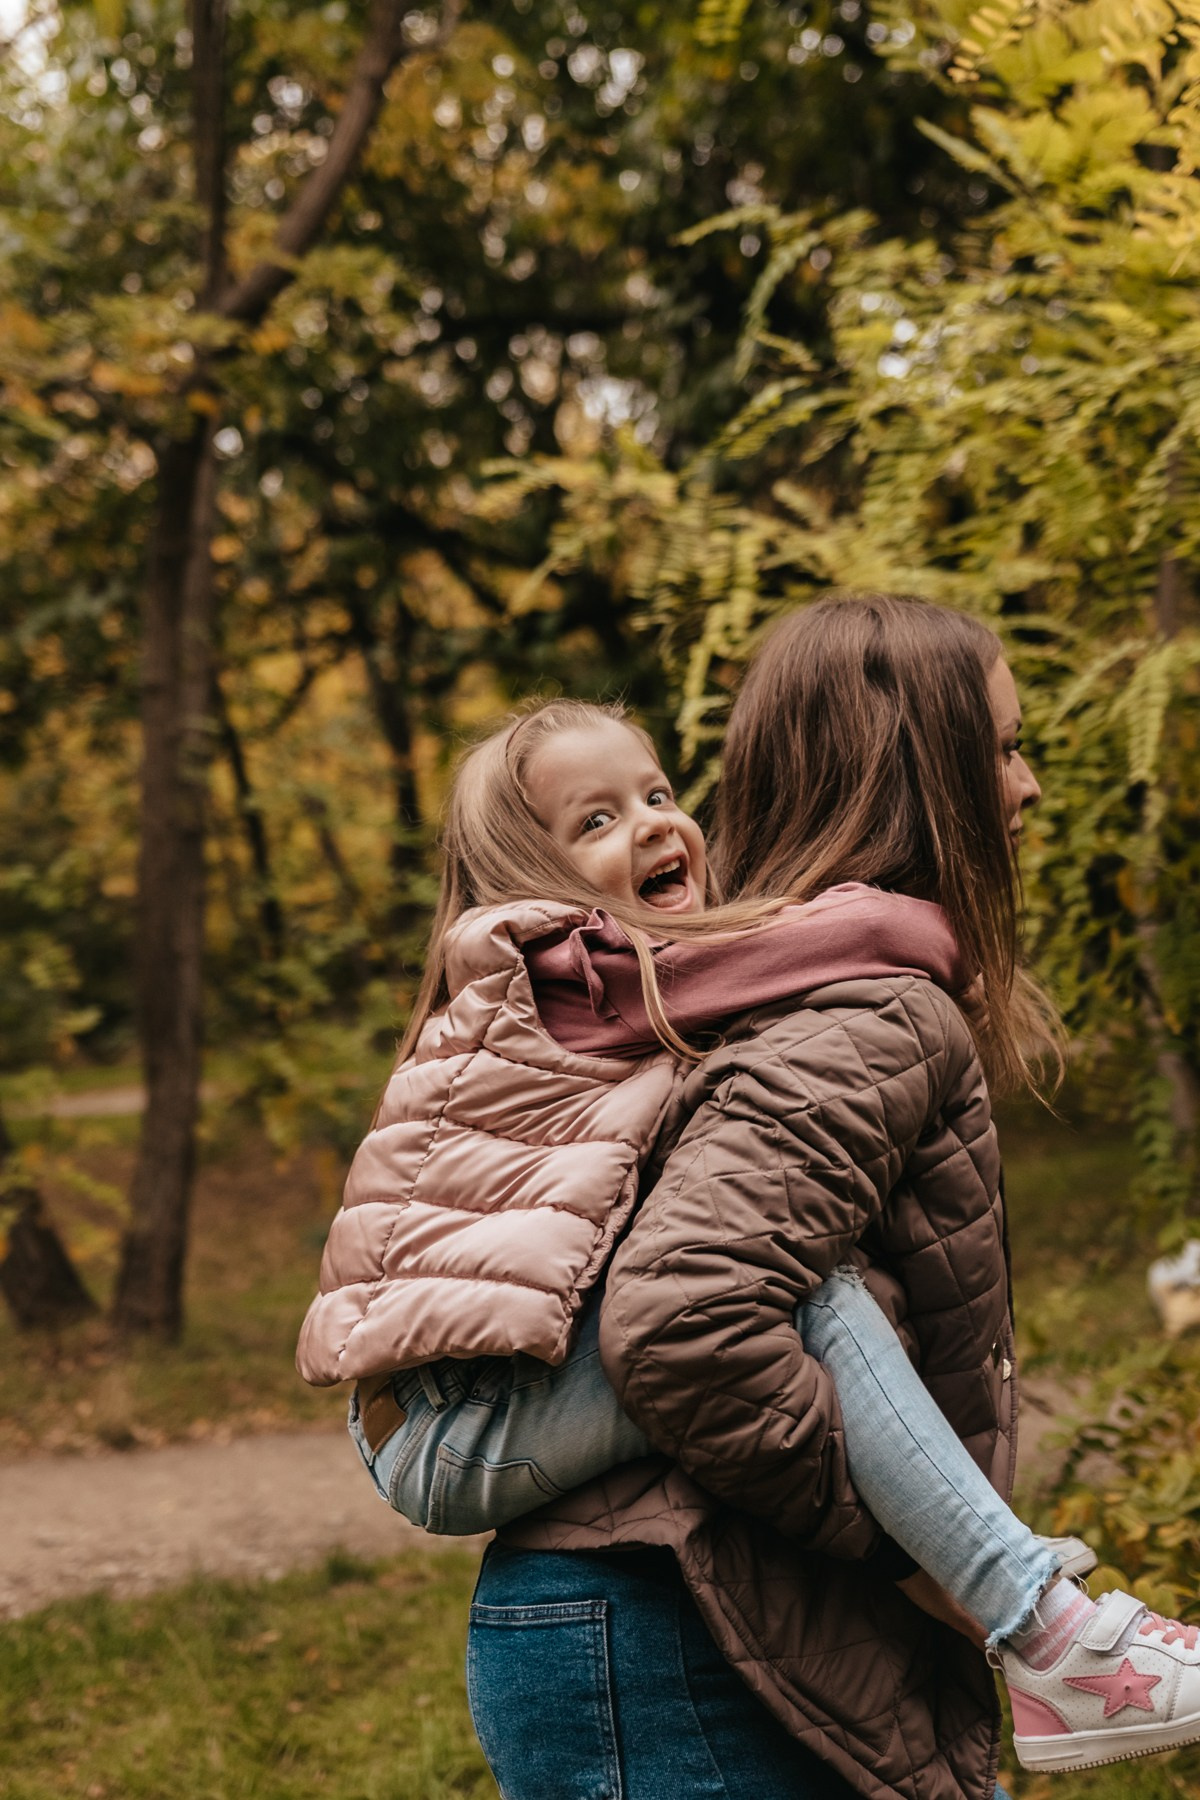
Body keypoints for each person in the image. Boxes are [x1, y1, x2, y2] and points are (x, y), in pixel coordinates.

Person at [297, 607, 1198, 1794]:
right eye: (1003, 747)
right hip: (481, 1454)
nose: (1027, 786)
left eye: (658, 793)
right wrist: (917, 1555)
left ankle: (1040, 1625)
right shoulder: (561, 971)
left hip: (553, 1512)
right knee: (814, 1297)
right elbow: (689, 1312)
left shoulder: (654, 990)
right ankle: (1045, 1623)